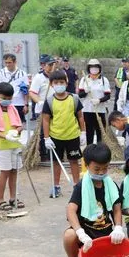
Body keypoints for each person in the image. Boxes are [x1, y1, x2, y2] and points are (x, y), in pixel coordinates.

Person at [62, 143, 125, 257]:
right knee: (69, 235)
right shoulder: (81, 186)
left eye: (105, 168)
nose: (101, 172)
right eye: (97, 169)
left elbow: (117, 208)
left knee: (126, 255)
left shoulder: (111, 185)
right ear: (87, 165)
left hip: (106, 233)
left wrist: (119, 228)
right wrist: (80, 232)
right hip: (87, 236)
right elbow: (70, 210)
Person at [42, 70, 87, 198]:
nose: (59, 85)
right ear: (51, 84)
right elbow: (45, 120)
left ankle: (77, 186)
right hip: (56, 137)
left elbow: (80, 117)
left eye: (61, 82)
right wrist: (46, 138)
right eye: (56, 82)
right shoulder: (49, 101)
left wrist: (83, 132)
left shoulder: (74, 98)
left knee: (74, 161)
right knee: (56, 163)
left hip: (72, 136)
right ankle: (56, 186)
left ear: (66, 83)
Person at [0, 82, 24, 210]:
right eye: (4, 98)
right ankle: (0, 200)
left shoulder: (12, 108)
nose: (7, 101)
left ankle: (13, 198)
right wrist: (6, 136)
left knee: (14, 171)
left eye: (9, 98)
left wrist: (17, 131)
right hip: (3, 145)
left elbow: (19, 125)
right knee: (5, 171)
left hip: (14, 143)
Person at [29, 54, 57, 161]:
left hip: (56, 109)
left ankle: (54, 154)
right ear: (43, 65)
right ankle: (43, 155)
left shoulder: (57, 76)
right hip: (42, 110)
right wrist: (39, 102)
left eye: (52, 65)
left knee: (54, 132)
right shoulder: (38, 78)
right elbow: (32, 93)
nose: (51, 67)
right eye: (49, 65)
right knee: (42, 133)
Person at [78, 59, 111, 144]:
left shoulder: (104, 80)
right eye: (92, 67)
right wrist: (85, 91)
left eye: (96, 67)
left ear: (99, 68)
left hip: (100, 110)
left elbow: (108, 96)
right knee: (89, 132)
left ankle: (100, 150)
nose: (94, 69)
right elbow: (80, 95)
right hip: (87, 110)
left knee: (100, 131)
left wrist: (99, 100)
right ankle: (90, 149)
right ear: (89, 68)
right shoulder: (84, 79)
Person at [0, 53, 30, 123]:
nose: (8, 65)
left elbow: (26, 90)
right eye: (6, 63)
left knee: (18, 124)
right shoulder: (1, 73)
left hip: (19, 103)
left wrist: (26, 104)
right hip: (4, 103)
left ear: (15, 62)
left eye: (9, 62)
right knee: (5, 123)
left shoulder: (22, 74)